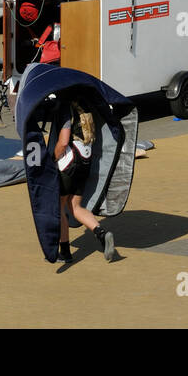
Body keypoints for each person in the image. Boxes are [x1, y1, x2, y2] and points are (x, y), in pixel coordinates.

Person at [55, 102, 118, 262]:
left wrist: (52, 159)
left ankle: (65, 252)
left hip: (70, 162)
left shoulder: (66, 107)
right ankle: (101, 233)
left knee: (59, 206)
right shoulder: (86, 106)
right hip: (86, 160)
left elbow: (63, 142)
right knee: (75, 206)